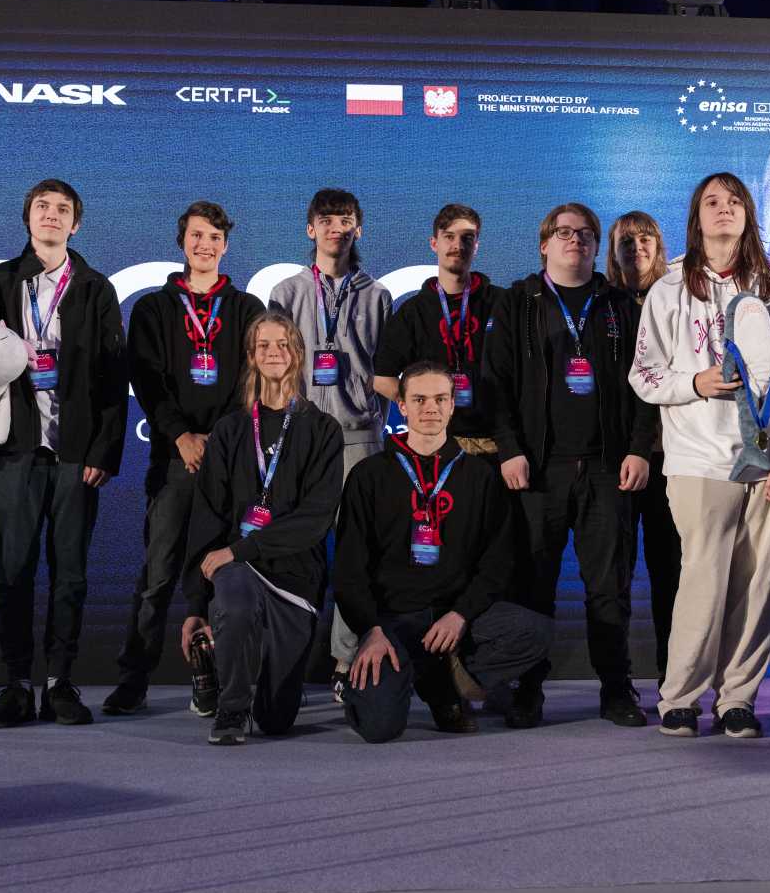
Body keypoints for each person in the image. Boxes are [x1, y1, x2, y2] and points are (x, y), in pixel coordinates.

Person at [629, 172, 770, 738]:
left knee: (756, 586)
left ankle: (737, 698)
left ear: (748, 214)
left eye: (734, 201)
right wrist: (695, 382)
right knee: (703, 580)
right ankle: (681, 696)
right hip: (698, 458)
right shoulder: (668, 289)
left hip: (762, 460)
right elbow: (643, 374)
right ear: (696, 217)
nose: (724, 209)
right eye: (712, 201)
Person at [0, 179, 128, 729]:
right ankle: (15, 684)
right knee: (13, 570)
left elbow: (113, 375)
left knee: (70, 573)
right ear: (27, 218)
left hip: (76, 451)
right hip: (14, 448)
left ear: (76, 224)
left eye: (62, 209)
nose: (51, 215)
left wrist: (105, 448)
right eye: (42, 207)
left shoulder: (96, 289)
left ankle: (59, 683)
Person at [484, 202, 657, 728]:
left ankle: (616, 689)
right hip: (539, 470)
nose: (575, 240)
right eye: (564, 232)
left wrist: (639, 447)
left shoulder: (619, 305)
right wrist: (509, 448)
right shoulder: (517, 302)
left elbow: (646, 381)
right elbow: (495, 384)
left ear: (596, 245)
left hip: (607, 467)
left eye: (585, 234)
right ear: (544, 244)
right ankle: (528, 688)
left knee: (609, 588)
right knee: (532, 585)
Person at [103, 201, 265, 716]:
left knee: (220, 574)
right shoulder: (154, 308)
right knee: (158, 575)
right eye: (197, 235)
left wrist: (216, 440)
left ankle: (213, 677)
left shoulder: (247, 308)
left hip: (229, 459)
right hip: (174, 457)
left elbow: (252, 380)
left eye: (215, 237)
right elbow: (148, 379)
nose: (205, 245)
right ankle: (134, 679)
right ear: (182, 242)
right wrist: (181, 437)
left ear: (226, 245)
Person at [337, 361, 554, 742]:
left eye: (440, 399)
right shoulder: (369, 475)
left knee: (535, 631)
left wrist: (461, 614)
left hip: (453, 621)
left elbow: (497, 562)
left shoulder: (479, 476)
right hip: (393, 623)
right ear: (401, 406)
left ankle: (444, 688)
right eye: (419, 399)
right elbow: (349, 567)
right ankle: (423, 683)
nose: (430, 408)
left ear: (453, 405)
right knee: (378, 726)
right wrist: (370, 630)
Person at [177, 311, 344, 745]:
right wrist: (196, 603)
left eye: (283, 344)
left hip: (295, 574)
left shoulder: (323, 430)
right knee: (232, 604)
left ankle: (264, 693)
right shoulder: (231, 429)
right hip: (239, 569)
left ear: (297, 354)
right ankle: (230, 707)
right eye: (264, 345)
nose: (274, 353)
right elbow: (208, 515)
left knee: (276, 719)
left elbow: (315, 518)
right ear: (251, 355)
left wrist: (239, 550)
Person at [269, 188, 392, 698]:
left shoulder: (377, 295)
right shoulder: (287, 292)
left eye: (345, 220)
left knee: (356, 555)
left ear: (358, 229)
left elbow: (383, 371)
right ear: (310, 229)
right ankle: (288, 662)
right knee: (295, 554)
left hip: (359, 439)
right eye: (326, 219)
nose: (336, 228)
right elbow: (272, 367)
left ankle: (344, 660)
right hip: (301, 440)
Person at [606, 210, 681, 682]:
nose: (637, 247)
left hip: (671, 456)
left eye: (646, 238)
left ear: (659, 245)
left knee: (670, 574)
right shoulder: (602, 305)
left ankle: (675, 679)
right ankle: (618, 683)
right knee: (615, 574)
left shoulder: (679, 298)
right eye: (626, 241)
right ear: (613, 252)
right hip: (618, 459)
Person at [373, 203, 504, 460]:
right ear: (434, 243)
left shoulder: (502, 303)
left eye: (467, 238)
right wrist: (425, 405)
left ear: (476, 245)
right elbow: (382, 379)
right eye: (449, 237)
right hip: (435, 445)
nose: (458, 245)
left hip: (495, 443)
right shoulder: (413, 311)